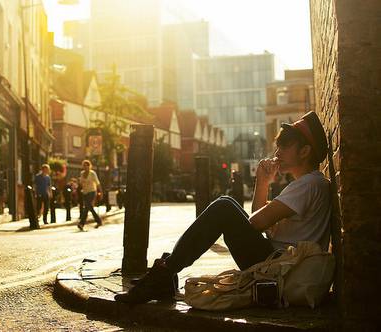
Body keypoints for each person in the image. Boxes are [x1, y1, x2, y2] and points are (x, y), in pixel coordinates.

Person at [115, 111, 331, 304]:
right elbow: (257, 221)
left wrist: (262, 187)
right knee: (227, 206)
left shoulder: (309, 184)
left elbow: (255, 223)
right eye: (278, 145)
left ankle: (164, 273)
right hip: (276, 262)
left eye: (284, 146)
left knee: (224, 207)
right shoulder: (308, 184)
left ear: (304, 152)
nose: (277, 152)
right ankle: (166, 270)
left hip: (279, 268)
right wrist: (262, 183)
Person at [77, 160, 103, 230]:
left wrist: (100, 192)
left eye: (87, 165)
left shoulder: (92, 173)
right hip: (85, 192)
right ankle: (99, 221)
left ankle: (81, 223)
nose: (85, 167)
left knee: (86, 207)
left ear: (89, 166)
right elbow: (81, 183)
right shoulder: (82, 173)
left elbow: (98, 183)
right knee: (90, 208)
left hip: (92, 192)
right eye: (84, 165)